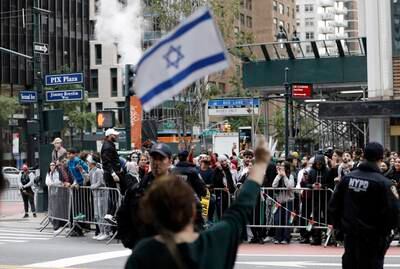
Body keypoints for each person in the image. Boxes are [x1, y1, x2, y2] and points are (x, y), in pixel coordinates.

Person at [125, 139, 271, 269]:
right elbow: (240, 209)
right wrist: (260, 166)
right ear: (192, 210)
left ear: (151, 214)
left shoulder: (144, 253)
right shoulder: (213, 243)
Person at [329, 142, 400, 269]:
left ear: (363, 156)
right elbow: (394, 212)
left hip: (351, 236)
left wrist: (339, 228)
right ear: (381, 158)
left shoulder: (347, 179)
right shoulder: (384, 183)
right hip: (373, 238)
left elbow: (334, 206)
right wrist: (387, 235)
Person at [85, 154, 110, 241]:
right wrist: (82, 171)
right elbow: (87, 179)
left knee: (102, 214)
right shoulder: (91, 171)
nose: (87, 163)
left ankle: (106, 232)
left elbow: (101, 183)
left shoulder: (99, 171)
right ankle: (101, 231)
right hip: (96, 195)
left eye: (88, 161)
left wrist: (92, 186)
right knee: (97, 214)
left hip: (102, 195)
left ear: (92, 162)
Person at [101, 128, 122, 224]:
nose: (116, 136)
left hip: (111, 173)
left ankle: (110, 214)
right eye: (114, 135)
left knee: (113, 194)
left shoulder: (108, 145)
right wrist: (113, 173)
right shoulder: (107, 146)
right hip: (110, 174)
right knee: (113, 194)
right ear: (109, 136)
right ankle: (110, 214)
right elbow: (106, 162)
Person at [272, 161, 295, 244]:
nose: (281, 167)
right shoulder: (278, 176)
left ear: (287, 168)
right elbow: (273, 185)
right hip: (279, 201)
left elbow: (289, 186)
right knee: (277, 219)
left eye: (283, 166)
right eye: (280, 166)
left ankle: (286, 238)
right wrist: (279, 175)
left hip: (288, 201)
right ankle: (277, 237)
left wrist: (284, 176)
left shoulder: (290, 176)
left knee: (287, 220)